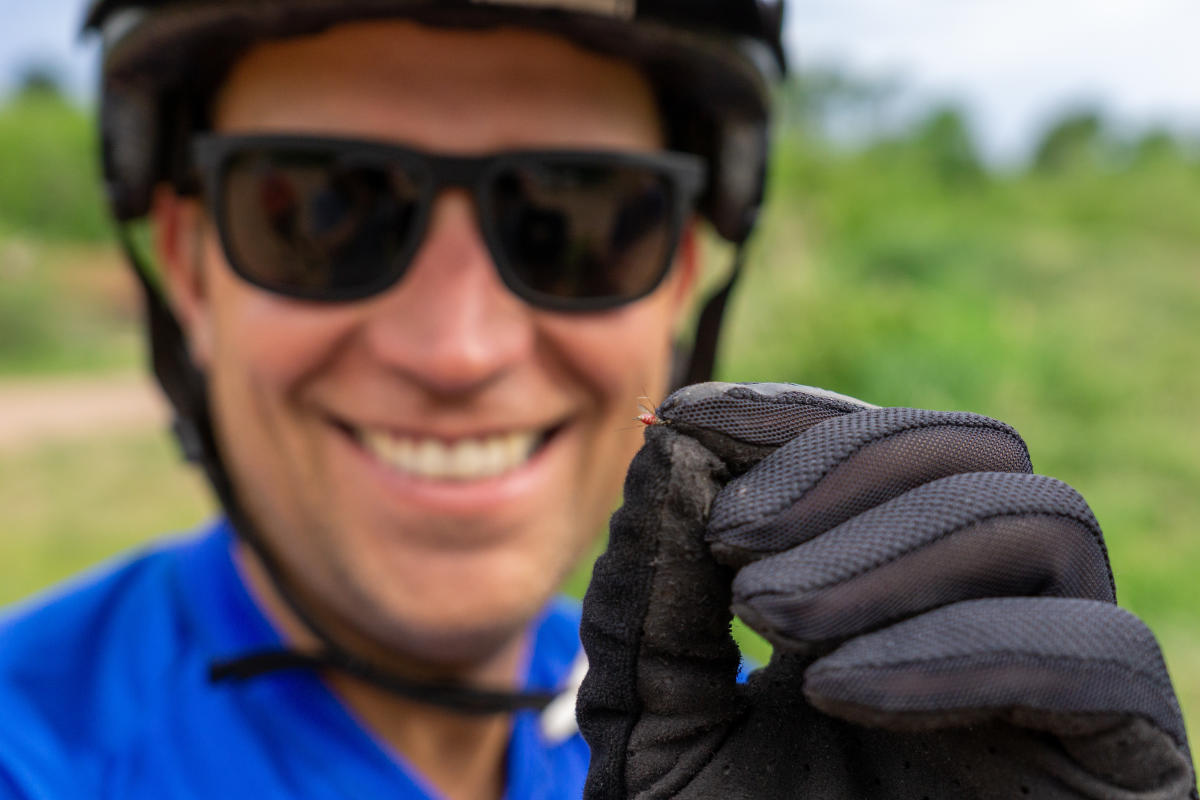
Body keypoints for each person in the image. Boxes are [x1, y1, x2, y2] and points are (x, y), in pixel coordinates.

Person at [0, 2, 1194, 799]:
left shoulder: (737, 719)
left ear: (677, 282)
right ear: (188, 267)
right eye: (324, 211)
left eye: (575, 222)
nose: (458, 347)